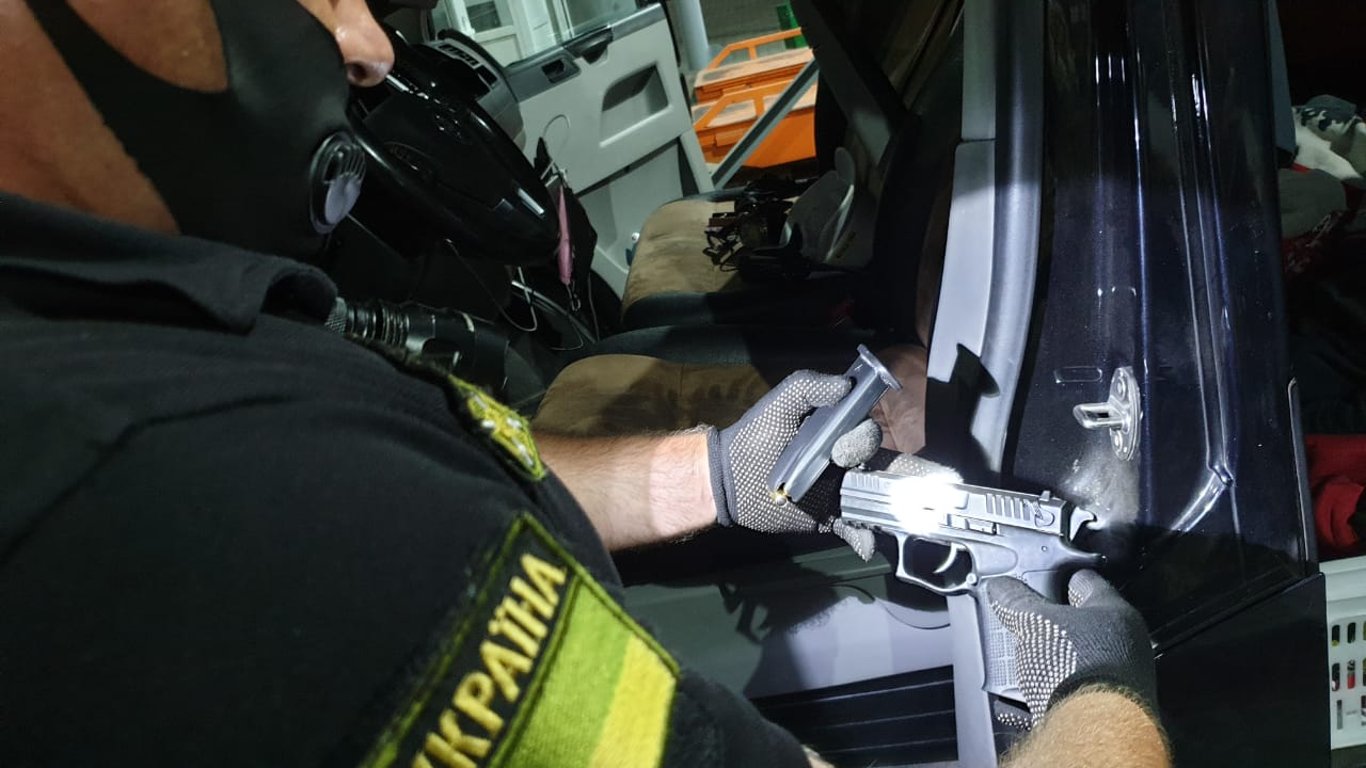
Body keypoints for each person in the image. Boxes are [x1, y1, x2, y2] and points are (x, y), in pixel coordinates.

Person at [0, 1, 1169, 765]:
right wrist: (1102, 696)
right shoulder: (181, 487)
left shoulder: (110, 328)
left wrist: (706, 473)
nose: (367, 44)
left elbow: (441, 460)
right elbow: (350, 517)